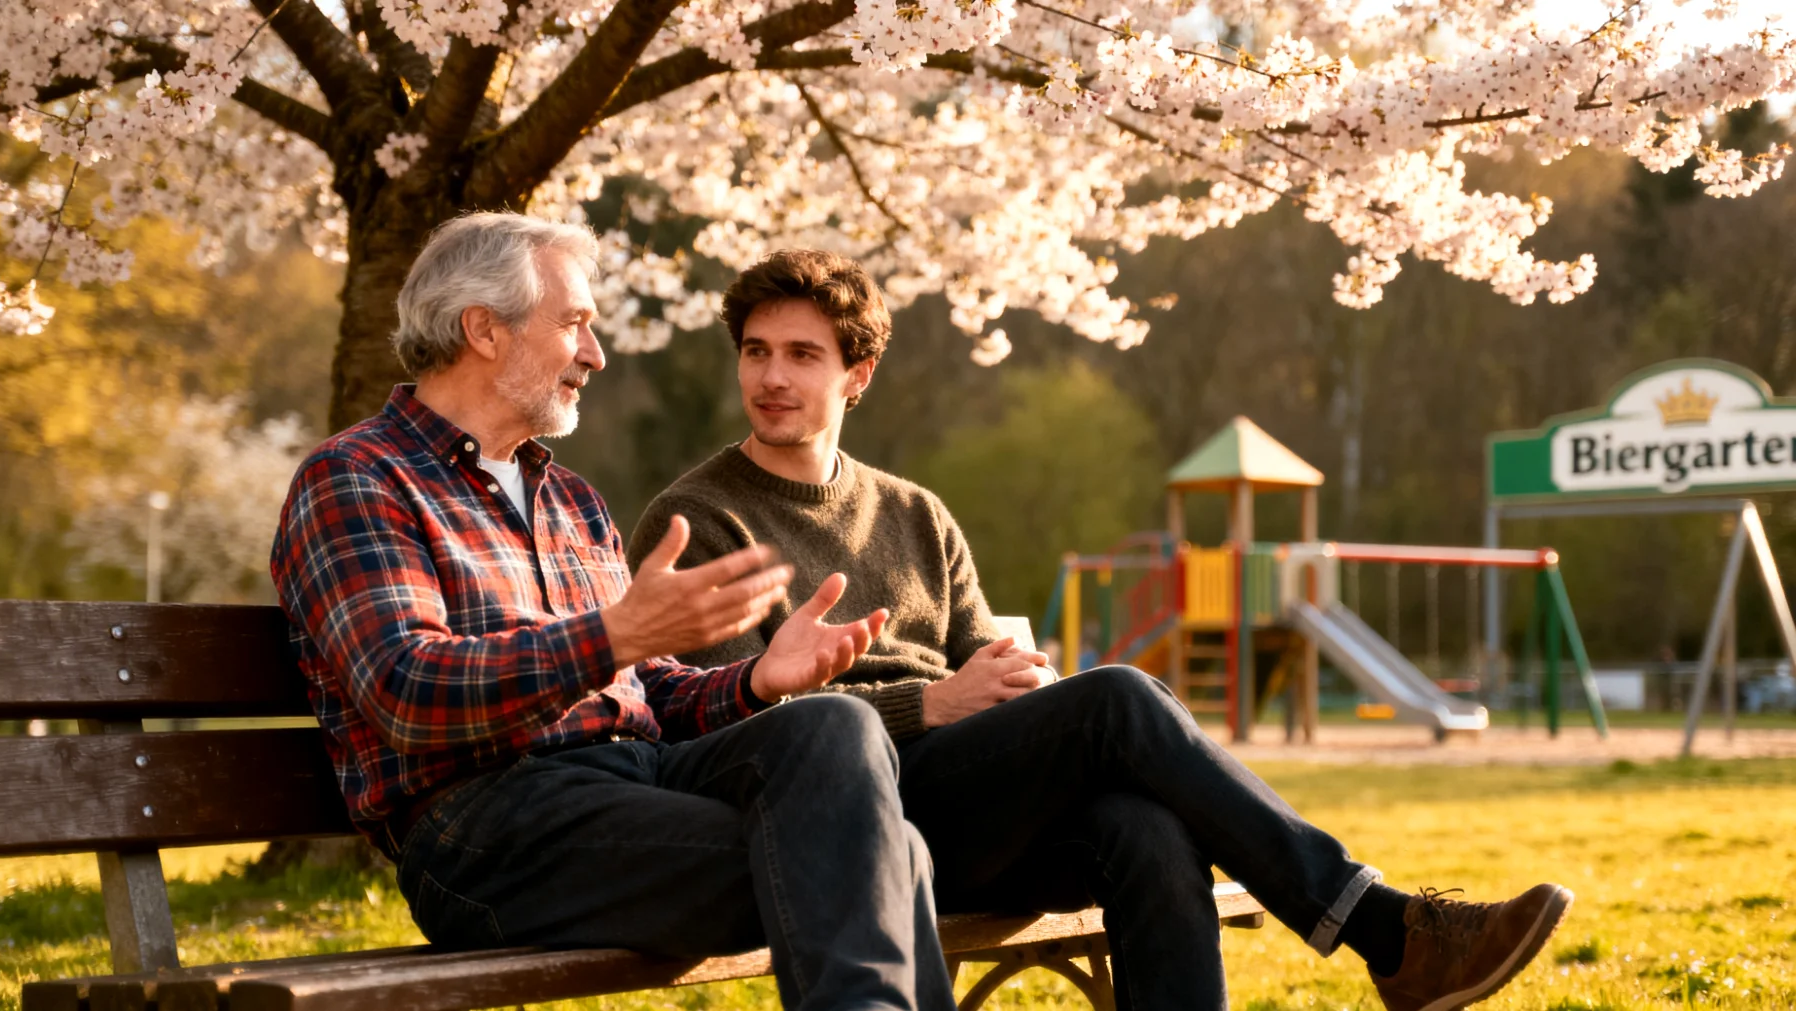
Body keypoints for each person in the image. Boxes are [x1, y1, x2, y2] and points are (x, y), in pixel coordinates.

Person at [631, 248, 1573, 1011]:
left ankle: (1383, 933)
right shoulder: (701, 517)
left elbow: (982, 666)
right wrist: (933, 703)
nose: (772, 376)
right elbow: (720, 732)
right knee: (1120, 695)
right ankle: (1381, 928)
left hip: (963, 803)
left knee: (1147, 826)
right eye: (756, 351)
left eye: (802, 354)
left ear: (858, 373)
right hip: (841, 824)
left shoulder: (915, 512)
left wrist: (1010, 687)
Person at [270, 216, 958, 1011]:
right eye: (575, 324)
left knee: (834, 725)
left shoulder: (571, 500)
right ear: (483, 330)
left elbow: (642, 685)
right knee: (878, 851)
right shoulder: (359, 478)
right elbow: (407, 690)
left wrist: (757, 681)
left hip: (635, 778)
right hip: (485, 826)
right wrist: (608, 637)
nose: (596, 353)